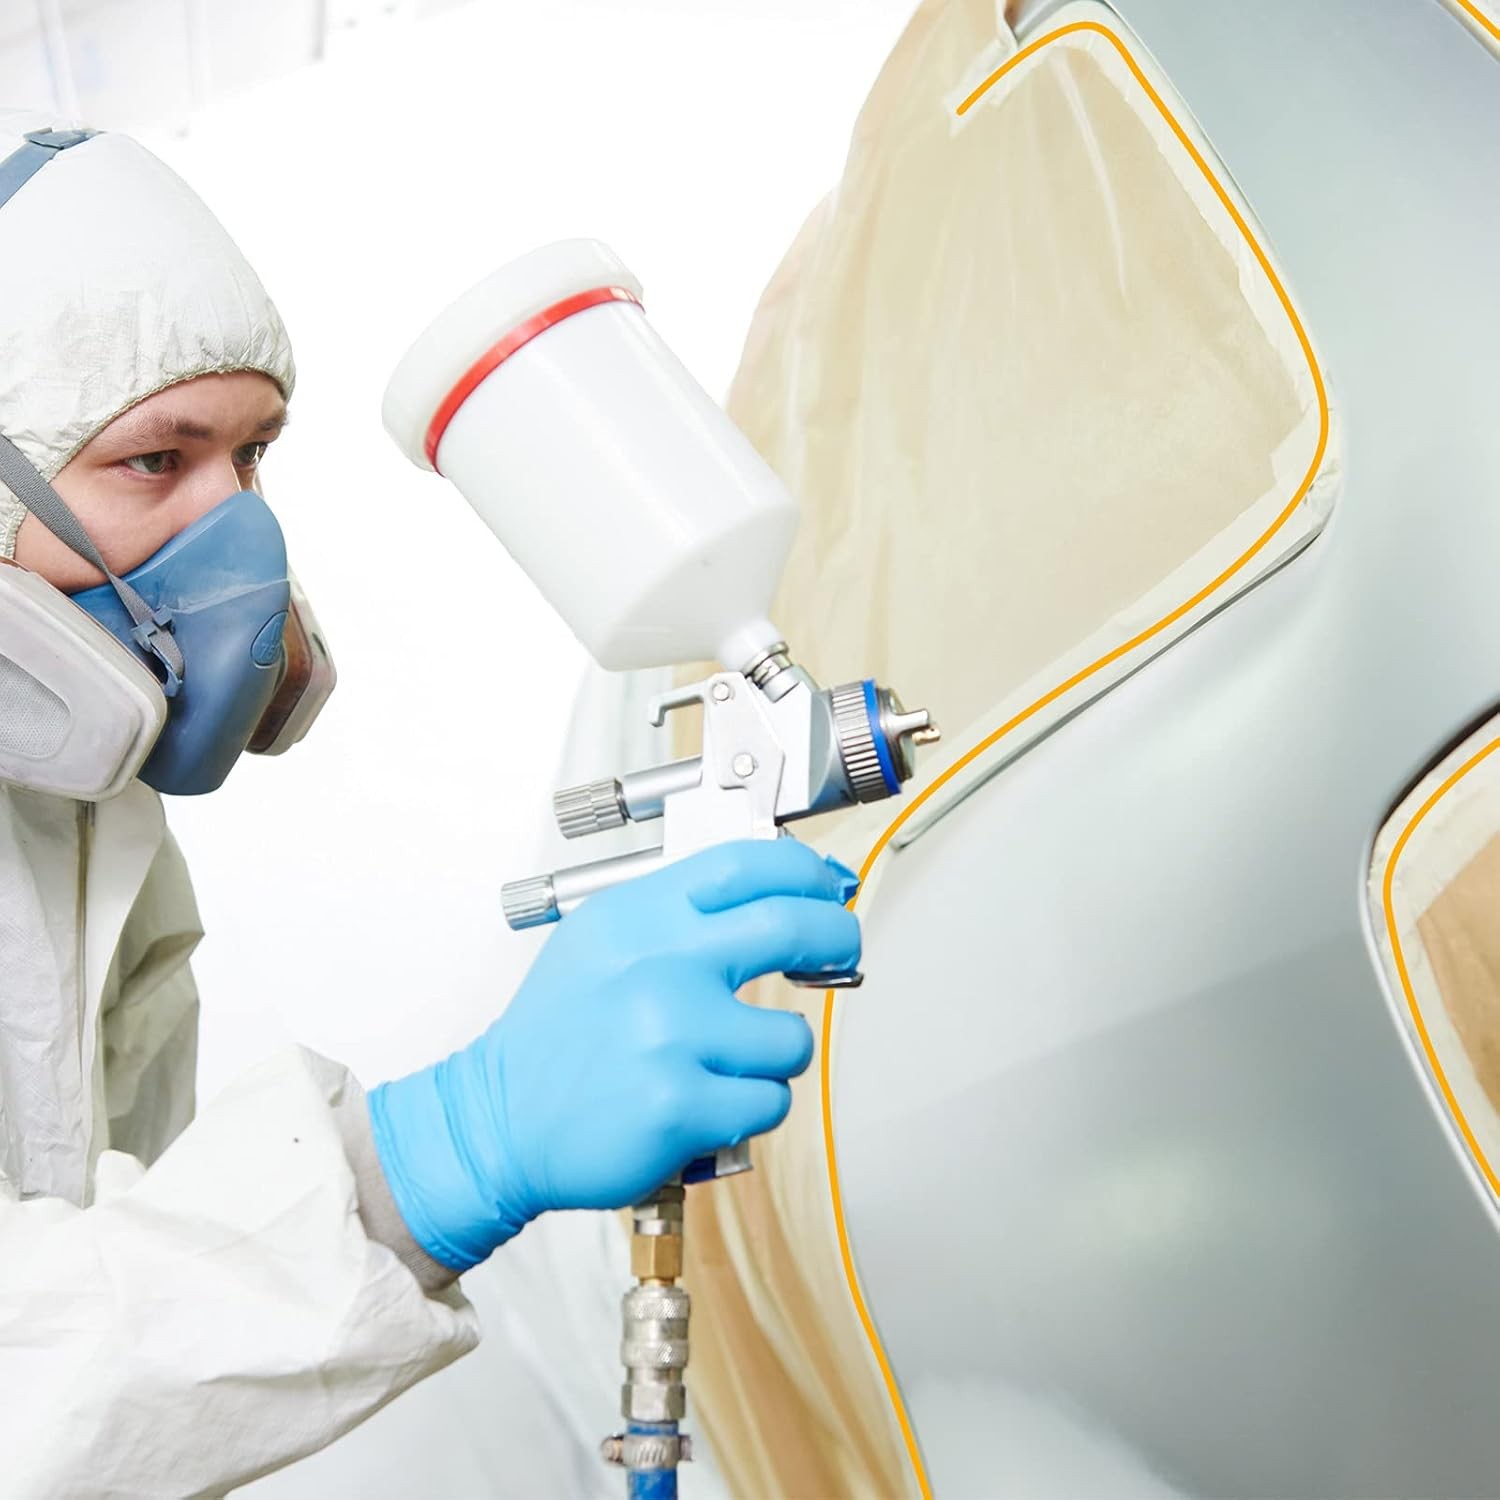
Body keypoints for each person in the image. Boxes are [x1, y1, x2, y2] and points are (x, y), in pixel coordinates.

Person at [0, 113, 860, 1493]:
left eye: (252, 457)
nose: (240, 539)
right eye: (158, 462)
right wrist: (440, 1155)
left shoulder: (86, 817)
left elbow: (107, 1269)